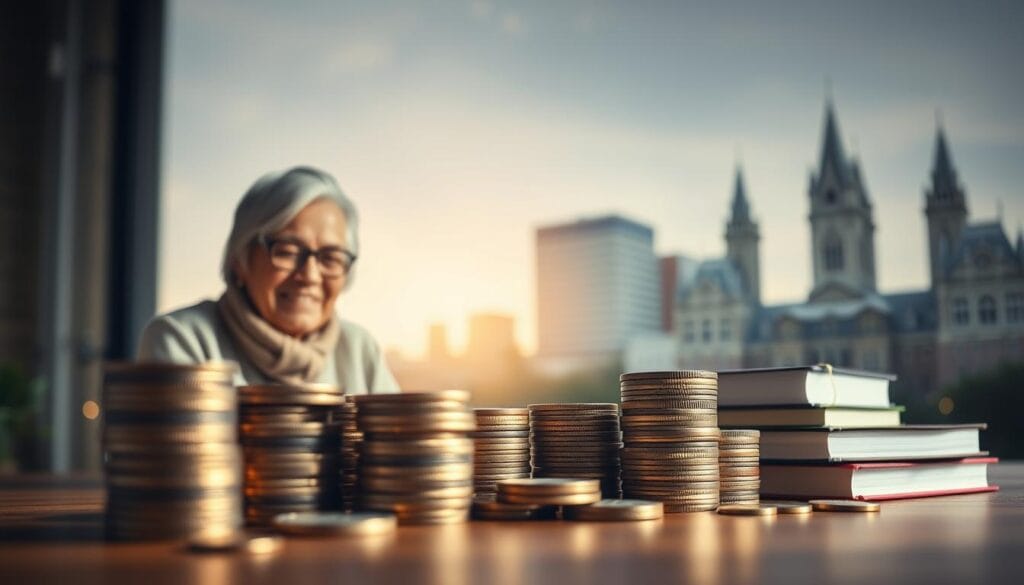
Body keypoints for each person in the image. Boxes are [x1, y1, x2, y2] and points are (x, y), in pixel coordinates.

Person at [137, 166, 399, 394]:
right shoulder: (182, 338)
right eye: (287, 251)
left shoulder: (359, 349)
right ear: (239, 260)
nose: (309, 276)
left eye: (330, 258)